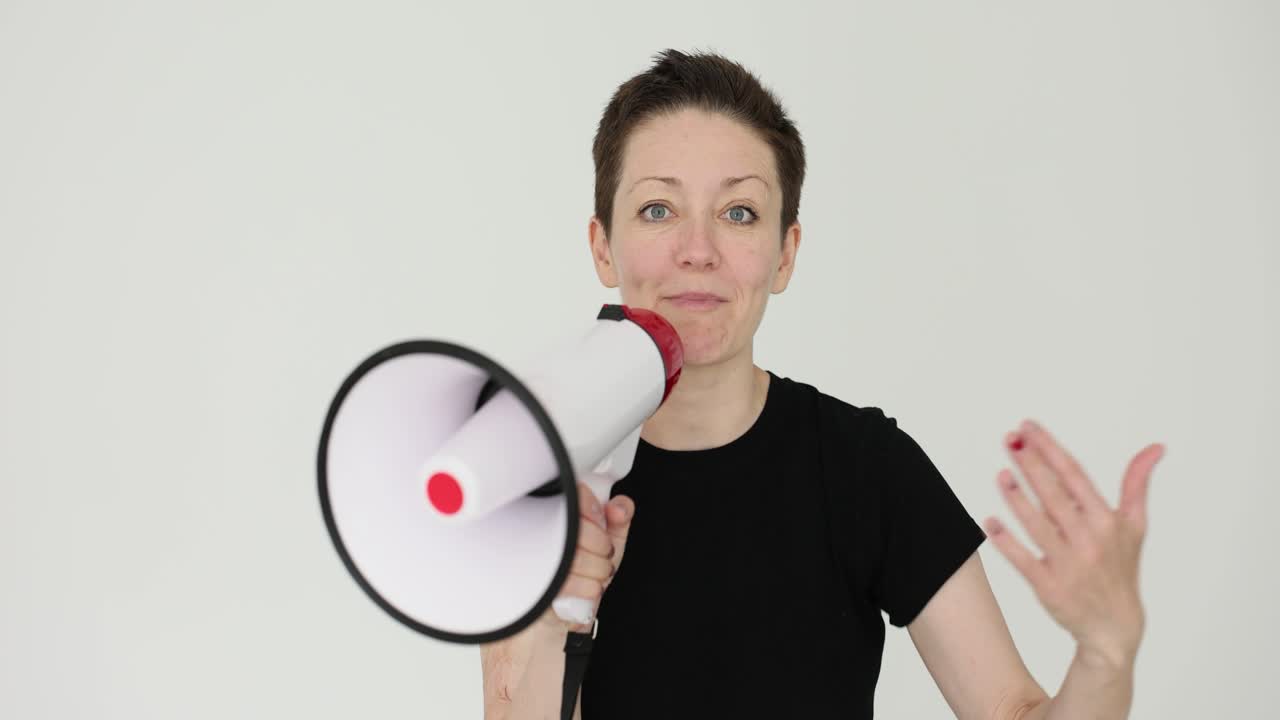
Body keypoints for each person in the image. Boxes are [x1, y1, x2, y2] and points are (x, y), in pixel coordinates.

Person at [479, 49, 1165, 720]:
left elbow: (1010, 711)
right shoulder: (531, 466)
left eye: (738, 212)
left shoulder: (864, 466)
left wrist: (1106, 653)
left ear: (786, 253)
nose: (698, 250)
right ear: (603, 245)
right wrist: (558, 620)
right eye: (658, 209)